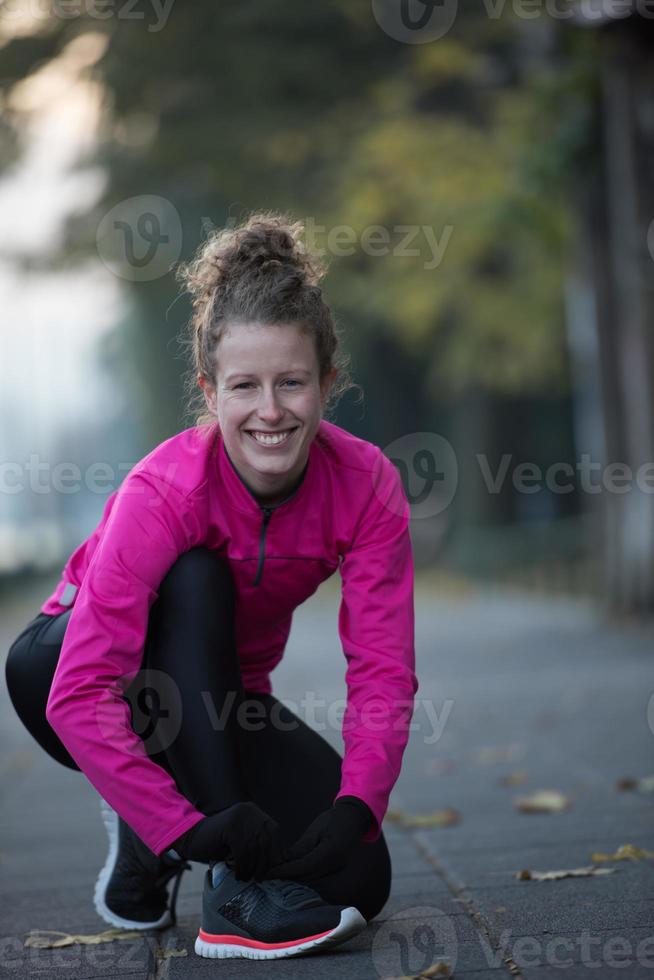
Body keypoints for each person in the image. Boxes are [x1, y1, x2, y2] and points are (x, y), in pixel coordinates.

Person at [5, 211, 419, 961]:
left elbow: (383, 667)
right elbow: (78, 690)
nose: (270, 411)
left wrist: (359, 801)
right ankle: (217, 879)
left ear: (327, 382)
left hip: (221, 704)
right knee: (196, 573)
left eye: (292, 382)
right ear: (209, 388)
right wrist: (193, 829)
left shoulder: (366, 486)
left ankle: (152, 832)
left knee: (361, 876)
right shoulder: (164, 490)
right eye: (245, 386)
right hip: (65, 670)